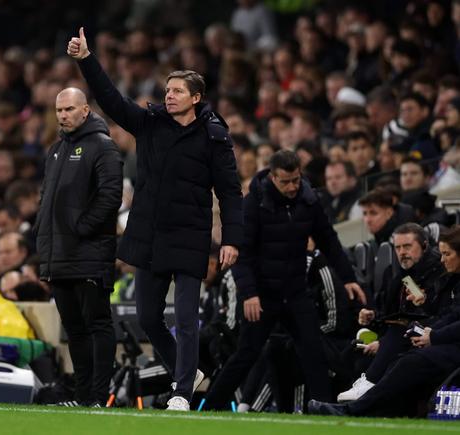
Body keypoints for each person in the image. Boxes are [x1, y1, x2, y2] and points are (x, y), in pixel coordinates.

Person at [68, 28, 244, 411]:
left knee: (186, 317)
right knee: (148, 318)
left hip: (190, 236)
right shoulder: (150, 122)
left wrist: (232, 239)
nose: (169, 95)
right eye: (168, 90)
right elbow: (111, 100)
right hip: (149, 234)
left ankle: (182, 391)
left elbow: (230, 192)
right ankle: (188, 371)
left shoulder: (214, 137)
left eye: (178, 91)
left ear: (196, 98)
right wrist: (86, 60)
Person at [202, 150, 366, 410]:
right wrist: (250, 294)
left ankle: (323, 409)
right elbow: (242, 253)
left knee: (313, 352)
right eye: (285, 182)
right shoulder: (254, 203)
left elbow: (329, 241)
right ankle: (210, 407)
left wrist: (348, 278)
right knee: (246, 354)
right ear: (272, 177)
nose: (292, 187)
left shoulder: (308, 200)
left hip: (295, 291)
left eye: (296, 180)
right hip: (262, 294)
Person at [310, 225, 460, 417]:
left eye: (447, 254)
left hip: (448, 342)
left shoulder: (441, 274)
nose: (442, 259)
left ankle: (357, 403)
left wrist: (433, 335)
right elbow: (448, 314)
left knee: (407, 357)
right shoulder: (401, 276)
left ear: (423, 246)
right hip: (435, 336)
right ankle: (363, 403)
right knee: (386, 357)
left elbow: (447, 315)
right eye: (397, 247)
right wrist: (374, 318)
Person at [36, 87, 123, 407]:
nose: (63, 115)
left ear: (85, 110)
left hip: (89, 252)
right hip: (59, 254)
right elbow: (46, 199)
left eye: (70, 109)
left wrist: (83, 228)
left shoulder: (103, 146)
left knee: (97, 324)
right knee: (74, 329)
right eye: (59, 110)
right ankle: (83, 397)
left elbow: (111, 195)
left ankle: (100, 397)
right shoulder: (56, 150)